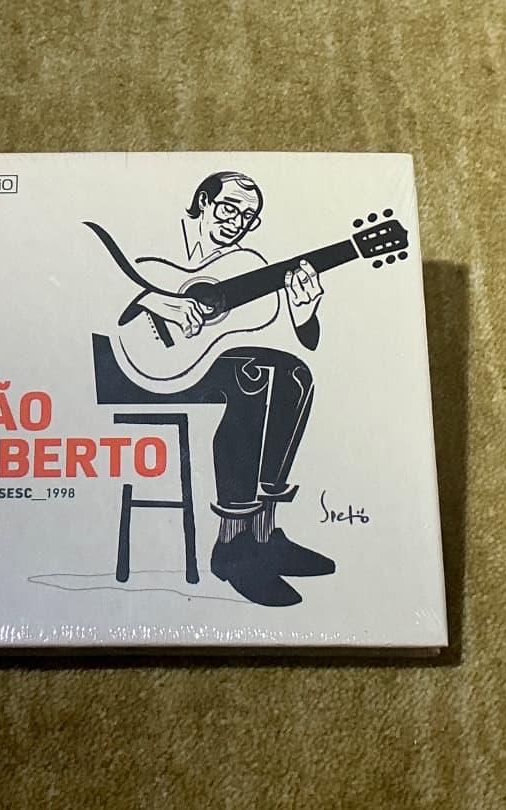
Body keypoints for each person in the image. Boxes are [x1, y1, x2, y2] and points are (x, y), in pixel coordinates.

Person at [92, 171, 335, 606]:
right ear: (203, 201)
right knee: (249, 378)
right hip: (127, 361)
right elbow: (85, 262)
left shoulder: (239, 262)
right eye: (228, 209)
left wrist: (304, 315)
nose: (236, 223)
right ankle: (232, 547)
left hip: (193, 364)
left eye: (247, 218)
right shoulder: (155, 228)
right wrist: (155, 299)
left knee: (294, 375)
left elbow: (282, 336)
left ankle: (263, 535)